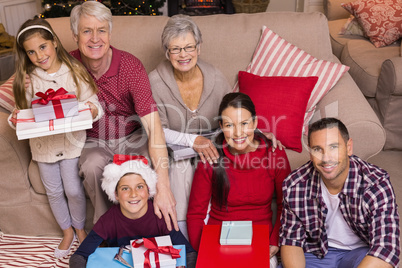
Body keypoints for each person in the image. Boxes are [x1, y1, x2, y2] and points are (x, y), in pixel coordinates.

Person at [149, 14, 283, 238]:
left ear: (199, 48)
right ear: (167, 52)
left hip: (212, 146)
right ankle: (181, 237)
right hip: (173, 148)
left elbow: (232, 117)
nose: (184, 55)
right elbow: (156, 130)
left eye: (189, 47)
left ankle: (206, 233)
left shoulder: (215, 77)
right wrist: (193, 141)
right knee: (183, 169)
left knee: (210, 161)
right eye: (176, 49)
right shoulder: (155, 81)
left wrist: (257, 132)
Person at [68, 1, 177, 230]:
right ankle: (105, 230)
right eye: (87, 31)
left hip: (132, 137)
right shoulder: (68, 67)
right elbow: (36, 80)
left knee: (149, 159)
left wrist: (164, 187)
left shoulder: (130, 67)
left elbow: (154, 128)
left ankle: (148, 227)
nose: (95, 38)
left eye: (101, 30)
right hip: (93, 141)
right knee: (92, 165)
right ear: (75, 35)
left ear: (110, 33)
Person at [8, 18, 103, 258]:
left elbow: (93, 101)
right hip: (43, 149)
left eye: (42, 47)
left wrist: (92, 109)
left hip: (71, 145)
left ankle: (80, 229)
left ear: (54, 43)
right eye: (31, 51)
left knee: (72, 189)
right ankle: (67, 231)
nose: (39, 55)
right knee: (54, 191)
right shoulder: (27, 79)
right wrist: (15, 118)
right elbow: (19, 113)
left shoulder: (74, 71)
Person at [279, 117, 400, 268]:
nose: (326, 158)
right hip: (315, 253)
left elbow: (386, 248)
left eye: (333, 147)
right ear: (310, 153)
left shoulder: (375, 184)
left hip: (360, 254)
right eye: (317, 149)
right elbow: (292, 241)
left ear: (349, 147)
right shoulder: (295, 185)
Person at [186, 92, 290, 267]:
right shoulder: (211, 158)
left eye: (244, 123)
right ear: (221, 126)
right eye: (229, 125)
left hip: (261, 241)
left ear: (255, 123)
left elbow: (285, 205)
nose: (238, 133)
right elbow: (195, 214)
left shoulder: (274, 155)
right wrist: (205, 250)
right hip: (218, 240)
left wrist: (274, 242)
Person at [69, 155, 197, 268]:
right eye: (125, 188)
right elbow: (79, 256)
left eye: (139, 187)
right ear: (116, 194)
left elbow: (189, 252)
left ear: (149, 190)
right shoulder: (108, 221)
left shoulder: (161, 216)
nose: (133, 194)